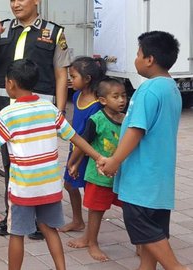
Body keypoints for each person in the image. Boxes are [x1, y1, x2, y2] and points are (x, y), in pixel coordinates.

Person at [0, 59, 102, 270]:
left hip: (24, 189)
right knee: (49, 229)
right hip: (49, 187)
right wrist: (99, 157)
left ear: (10, 84)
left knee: (16, 234)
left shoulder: (9, 114)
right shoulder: (49, 108)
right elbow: (75, 137)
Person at [0, 0, 72, 237]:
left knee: (39, 165)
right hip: (7, 112)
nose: (16, 4)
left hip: (38, 115)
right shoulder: (3, 29)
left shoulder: (54, 33)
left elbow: (61, 74)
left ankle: (41, 221)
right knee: (11, 165)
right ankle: (12, 215)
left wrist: (59, 109)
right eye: (12, 0)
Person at [99, 31, 190, 270]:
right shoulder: (171, 88)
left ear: (149, 59)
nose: (136, 59)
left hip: (141, 182)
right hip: (159, 182)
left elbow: (136, 130)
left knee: (148, 235)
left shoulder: (148, 90)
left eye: (138, 54)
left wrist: (115, 160)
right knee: (152, 242)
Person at [65, 78, 126, 261]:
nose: (122, 100)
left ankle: (141, 245)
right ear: (103, 100)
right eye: (116, 96)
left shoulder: (128, 120)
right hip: (99, 176)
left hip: (122, 176)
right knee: (96, 211)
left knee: (131, 209)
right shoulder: (97, 120)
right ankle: (92, 242)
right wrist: (73, 163)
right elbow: (83, 143)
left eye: (123, 95)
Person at [60, 57, 105, 232]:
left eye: (74, 76)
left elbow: (87, 138)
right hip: (76, 149)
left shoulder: (96, 105)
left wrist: (74, 162)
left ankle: (91, 231)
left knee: (91, 191)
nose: (71, 80)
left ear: (87, 79)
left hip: (88, 153)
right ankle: (78, 220)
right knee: (69, 185)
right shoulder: (77, 95)